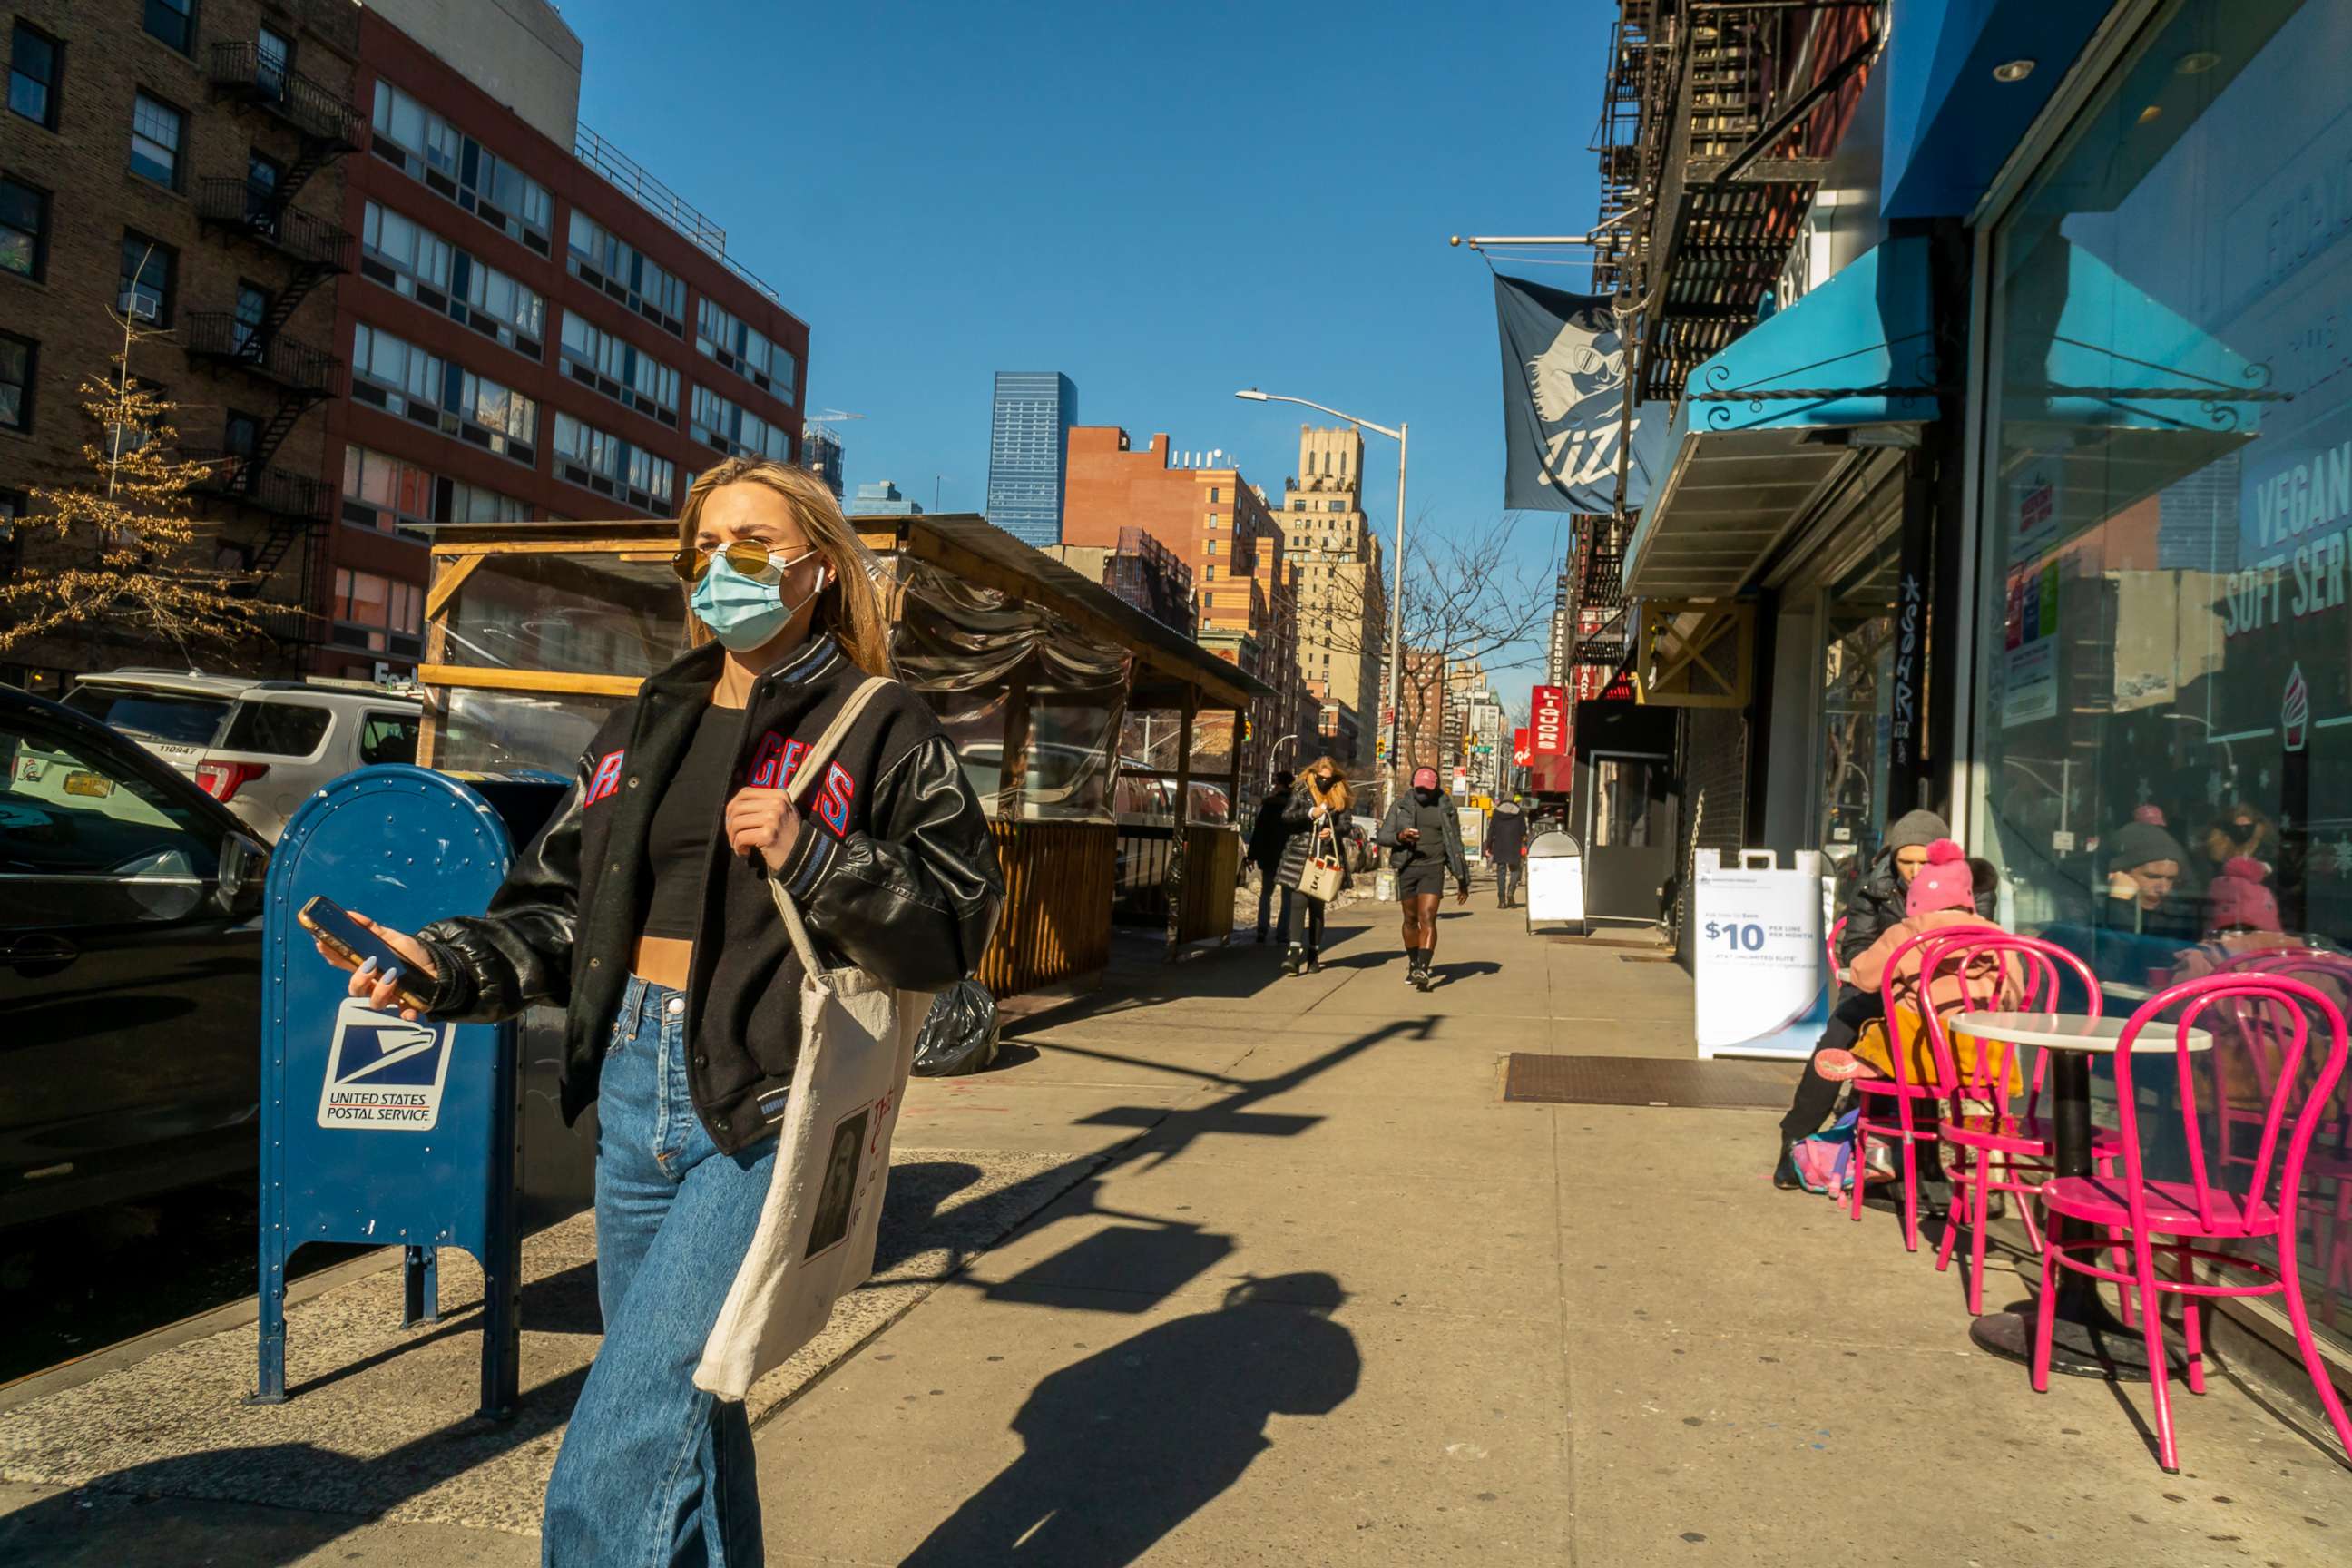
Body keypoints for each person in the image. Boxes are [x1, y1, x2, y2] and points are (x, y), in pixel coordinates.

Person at [311, 457, 1004, 1566]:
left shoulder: (881, 722)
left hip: (767, 1100)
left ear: (814, 570)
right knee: (696, 1409)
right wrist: (444, 965)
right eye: (704, 550)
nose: (721, 570)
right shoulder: (652, 720)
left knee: (618, 1453)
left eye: (750, 546)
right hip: (635, 1087)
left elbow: (959, 926)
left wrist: (816, 855)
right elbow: (560, 911)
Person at [1772, 807, 1948, 1187]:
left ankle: (1928, 1162)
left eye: (1925, 862)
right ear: (1893, 857)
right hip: (1877, 987)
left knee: (1937, 1048)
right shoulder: (1874, 887)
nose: (1916, 871)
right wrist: (1893, 969)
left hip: (1938, 994)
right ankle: (1794, 1140)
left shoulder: (1969, 887)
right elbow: (1855, 950)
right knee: (1834, 1043)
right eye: (1906, 861)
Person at [1820, 842, 2024, 1089]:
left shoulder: (1906, 933)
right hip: (1983, 1057)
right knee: (1991, 1028)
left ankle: (1873, 1059)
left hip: (1918, 1053)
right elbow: (2014, 997)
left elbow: (1864, 977)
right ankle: (1972, 1114)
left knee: (1879, 1029)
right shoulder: (1997, 936)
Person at [1378, 765, 1470, 991]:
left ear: (1436, 787)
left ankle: (1422, 967)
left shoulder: (1446, 808)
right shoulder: (1400, 807)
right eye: (1419, 788)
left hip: (1433, 867)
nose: (1423, 792)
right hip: (1408, 867)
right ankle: (1413, 962)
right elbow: (1383, 836)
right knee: (1410, 920)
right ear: (1412, 785)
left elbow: (1455, 844)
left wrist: (1462, 878)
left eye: (1428, 789)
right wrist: (1401, 836)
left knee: (1427, 916)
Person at [1273, 756, 1353, 974]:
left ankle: (1314, 953)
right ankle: (1293, 952)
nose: (1324, 782)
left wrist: (1333, 833)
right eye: (1321, 777)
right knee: (1298, 901)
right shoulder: (1301, 791)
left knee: (1317, 908)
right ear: (1314, 774)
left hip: (1326, 857)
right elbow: (1287, 817)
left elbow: (1347, 825)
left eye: (1329, 778)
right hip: (1301, 854)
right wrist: (1309, 813)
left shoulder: (1341, 795)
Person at [1247, 769, 1298, 945]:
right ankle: (1282, 934)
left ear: (1281, 785)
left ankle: (1262, 930)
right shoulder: (1296, 806)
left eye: (1276, 783)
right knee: (1287, 898)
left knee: (1266, 894)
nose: (1274, 786)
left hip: (1269, 857)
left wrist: (1251, 855)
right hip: (1290, 858)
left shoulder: (1269, 805)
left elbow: (1259, 831)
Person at [1485, 791, 1530, 908]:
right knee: (1515, 870)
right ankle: (1510, 893)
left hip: (1500, 846)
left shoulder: (1497, 811)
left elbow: (1491, 830)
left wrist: (1488, 846)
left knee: (1501, 873)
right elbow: (1523, 831)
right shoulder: (1519, 812)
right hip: (1514, 846)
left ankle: (1501, 901)